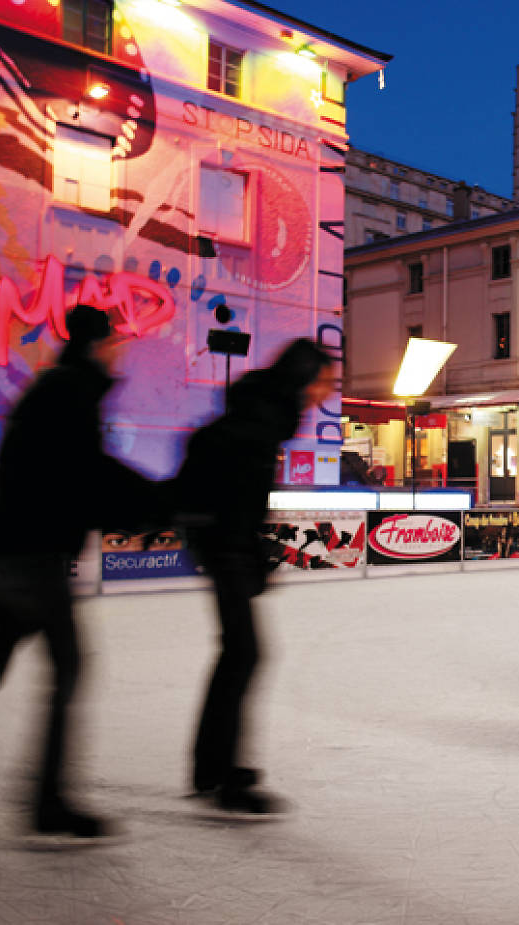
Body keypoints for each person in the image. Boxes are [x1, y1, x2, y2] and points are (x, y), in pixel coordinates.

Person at [0, 306, 158, 838]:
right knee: (65, 668)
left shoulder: (56, 389)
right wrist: (156, 501)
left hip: (20, 547)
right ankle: (48, 803)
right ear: (98, 345)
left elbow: (74, 473)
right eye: (114, 342)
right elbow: (84, 474)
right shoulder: (71, 392)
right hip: (35, 553)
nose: (120, 351)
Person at [174, 339, 335, 816]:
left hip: (225, 543)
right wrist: (248, 555)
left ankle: (211, 767)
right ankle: (223, 775)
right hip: (224, 545)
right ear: (303, 378)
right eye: (325, 381)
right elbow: (236, 497)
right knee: (244, 653)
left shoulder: (265, 414)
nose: (326, 393)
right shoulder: (262, 419)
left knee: (237, 654)